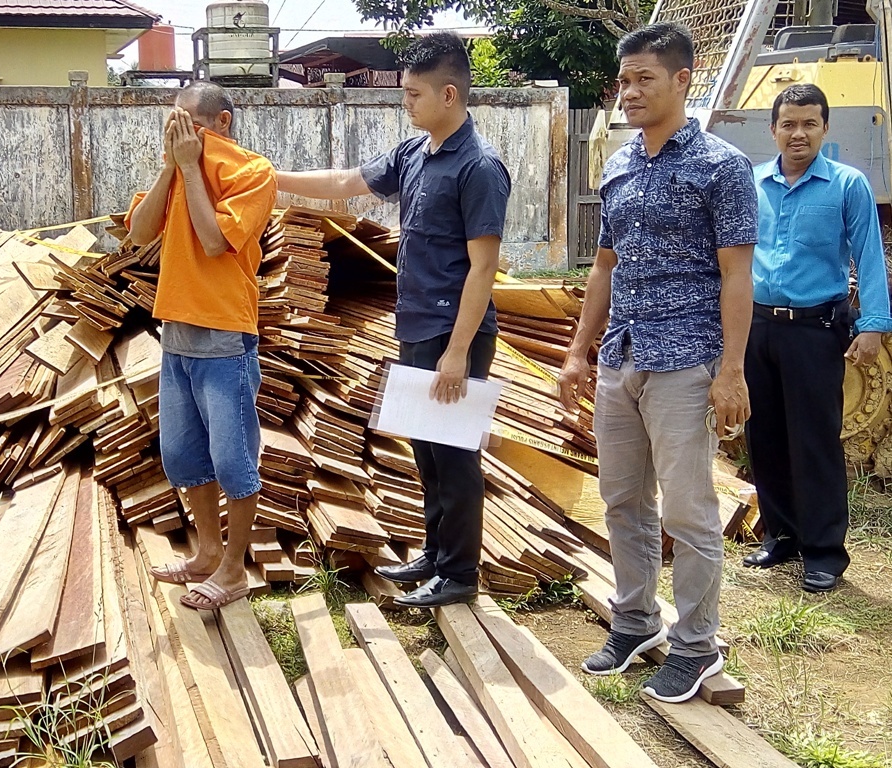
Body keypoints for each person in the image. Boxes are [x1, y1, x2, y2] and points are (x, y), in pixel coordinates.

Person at [557, 22, 758, 702]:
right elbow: (604, 267)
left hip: (685, 361)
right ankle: (637, 620)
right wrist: (579, 351)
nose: (630, 92)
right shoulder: (618, 165)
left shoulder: (721, 166)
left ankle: (698, 644)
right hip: (622, 358)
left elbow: (737, 276)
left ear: (682, 80)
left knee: (689, 512)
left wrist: (731, 370)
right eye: (624, 80)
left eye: (645, 78)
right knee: (622, 501)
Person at [276, 32, 510, 608]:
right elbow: (343, 184)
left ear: (449, 94)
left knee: (455, 454)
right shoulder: (413, 155)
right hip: (415, 325)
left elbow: (482, 270)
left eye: (412, 95)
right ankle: (435, 554)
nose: (405, 104)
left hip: (453, 332)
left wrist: (457, 352)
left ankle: (459, 575)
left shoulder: (478, 168)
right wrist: (269, 177)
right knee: (426, 449)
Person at [128, 82, 277, 611]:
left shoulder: (251, 173)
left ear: (221, 123)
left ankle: (235, 570)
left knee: (232, 460)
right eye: (171, 123)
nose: (178, 132)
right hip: (177, 336)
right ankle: (207, 552)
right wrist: (172, 167)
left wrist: (191, 169)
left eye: (187, 123)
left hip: (224, 338)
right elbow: (139, 234)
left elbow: (215, 242)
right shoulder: (177, 170)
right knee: (182, 455)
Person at [741, 84, 892, 593]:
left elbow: (869, 255)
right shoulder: (753, 182)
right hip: (757, 326)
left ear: (825, 128)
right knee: (764, 436)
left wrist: (873, 323)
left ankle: (825, 551)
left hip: (816, 328)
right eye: (788, 124)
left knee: (815, 441)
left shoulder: (847, 184)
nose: (798, 133)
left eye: (809, 123)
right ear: (774, 130)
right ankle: (783, 536)